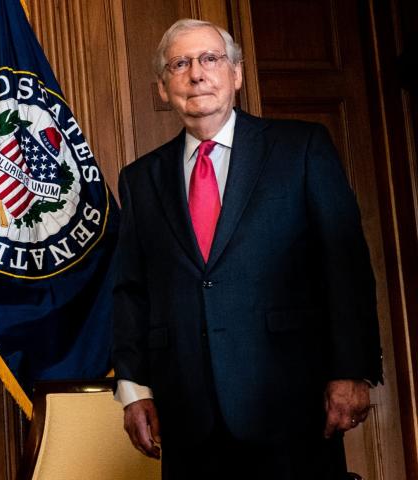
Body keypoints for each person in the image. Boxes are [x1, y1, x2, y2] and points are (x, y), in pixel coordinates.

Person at [112, 18, 383, 479]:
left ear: (235, 74)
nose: (196, 73)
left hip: (291, 402)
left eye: (210, 59)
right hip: (187, 413)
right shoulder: (140, 179)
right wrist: (134, 389)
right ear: (163, 88)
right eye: (180, 63)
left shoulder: (301, 147)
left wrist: (351, 370)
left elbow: (345, 265)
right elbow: (131, 289)